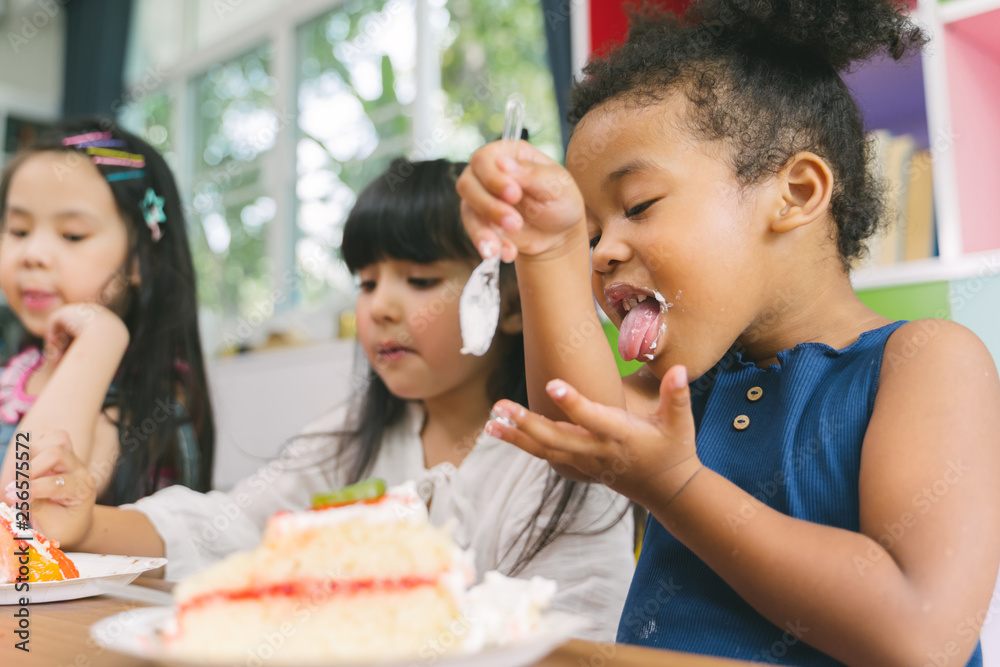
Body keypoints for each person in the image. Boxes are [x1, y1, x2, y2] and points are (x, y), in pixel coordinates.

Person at [457, 1, 1000, 664]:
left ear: (796, 192)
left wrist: (675, 484)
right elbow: (576, 418)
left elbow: (921, 636)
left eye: (637, 206)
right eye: (592, 231)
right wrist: (547, 248)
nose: (601, 252)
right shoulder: (689, 387)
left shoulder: (925, 360)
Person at [17, 158, 634, 640]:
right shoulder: (344, 443)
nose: (380, 307)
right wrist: (90, 522)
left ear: (509, 305)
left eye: (419, 281)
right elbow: (226, 530)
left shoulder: (565, 469)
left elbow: (579, 629)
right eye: (366, 283)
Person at [0, 119, 214, 506]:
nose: (33, 255)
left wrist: (101, 338)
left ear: (140, 260)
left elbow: (27, 506)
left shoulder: (143, 402)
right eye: (18, 230)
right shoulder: (13, 373)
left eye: (72, 235)